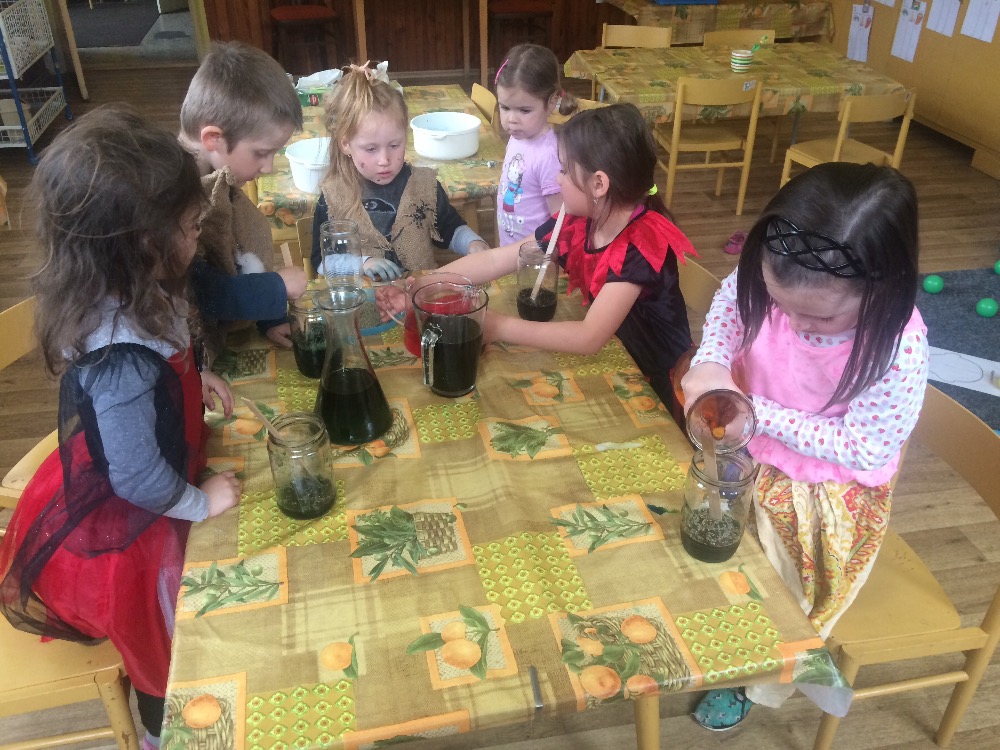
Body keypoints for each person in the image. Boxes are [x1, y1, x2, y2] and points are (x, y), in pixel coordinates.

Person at [0, 106, 243, 750]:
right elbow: (136, 475)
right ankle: (168, 728)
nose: (198, 234)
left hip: (153, 459)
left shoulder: (136, 286)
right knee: (165, 635)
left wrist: (197, 375)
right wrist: (199, 503)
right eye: (189, 226)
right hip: (135, 519)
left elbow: (169, 358)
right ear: (141, 244)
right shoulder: (120, 360)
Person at [680, 162, 928, 730]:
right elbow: (730, 305)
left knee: (779, 595)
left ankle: (758, 678)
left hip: (823, 488)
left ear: (883, 288)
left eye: (817, 316)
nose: (790, 321)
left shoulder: (896, 349)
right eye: (777, 301)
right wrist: (713, 359)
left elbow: (863, 447)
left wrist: (757, 411)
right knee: (708, 547)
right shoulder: (778, 276)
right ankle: (724, 632)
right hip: (750, 445)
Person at [380, 103, 697, 408]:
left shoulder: (641, 245)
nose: (557, 179)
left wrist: (497, 327)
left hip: (657, 381)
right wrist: (425, 286)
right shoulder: (576, 222)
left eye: (564, 170)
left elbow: (588, 337)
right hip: (618, 356)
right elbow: (496, 259)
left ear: (599, 184)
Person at [177, 41, 308, 359]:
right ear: (214, 139)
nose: (268, 167)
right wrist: (276, 287)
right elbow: (200, 292)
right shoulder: (175, 202)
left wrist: (270, 317)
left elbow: (240, 251)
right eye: (261, 153)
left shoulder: (218, 178)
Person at [309, 63, 489, 281]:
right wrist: (363, 263)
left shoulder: (424, 186)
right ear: (346, 144)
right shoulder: (333, 197)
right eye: (371, 149)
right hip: (362, 300)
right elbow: (321, 261)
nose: (384, 160)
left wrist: (473, 243)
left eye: (394, 145)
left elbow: (450, 228)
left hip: (419, 296)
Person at [494, 43, 576, 243]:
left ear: (551, 102)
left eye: (524, 110)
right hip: (510, 250)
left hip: (536, 255)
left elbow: (559, 221)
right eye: (505, 107)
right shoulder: (518, 137)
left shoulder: (549, 155)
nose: (512, 119)